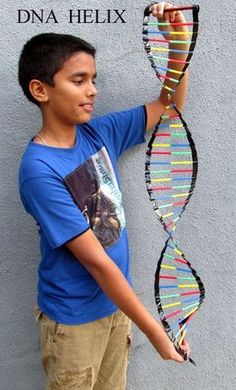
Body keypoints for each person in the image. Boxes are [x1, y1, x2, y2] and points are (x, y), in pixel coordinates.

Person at [18, 2, 191, 389]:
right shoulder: (38, 170)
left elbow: (169, 106)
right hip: (74, 325)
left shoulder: (100, 133)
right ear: (40, 89)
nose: (93, 90)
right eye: (79, 80)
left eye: (93, 79)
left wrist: (178, 47)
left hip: (116, 308)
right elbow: (97, 263)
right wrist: (156, 333)